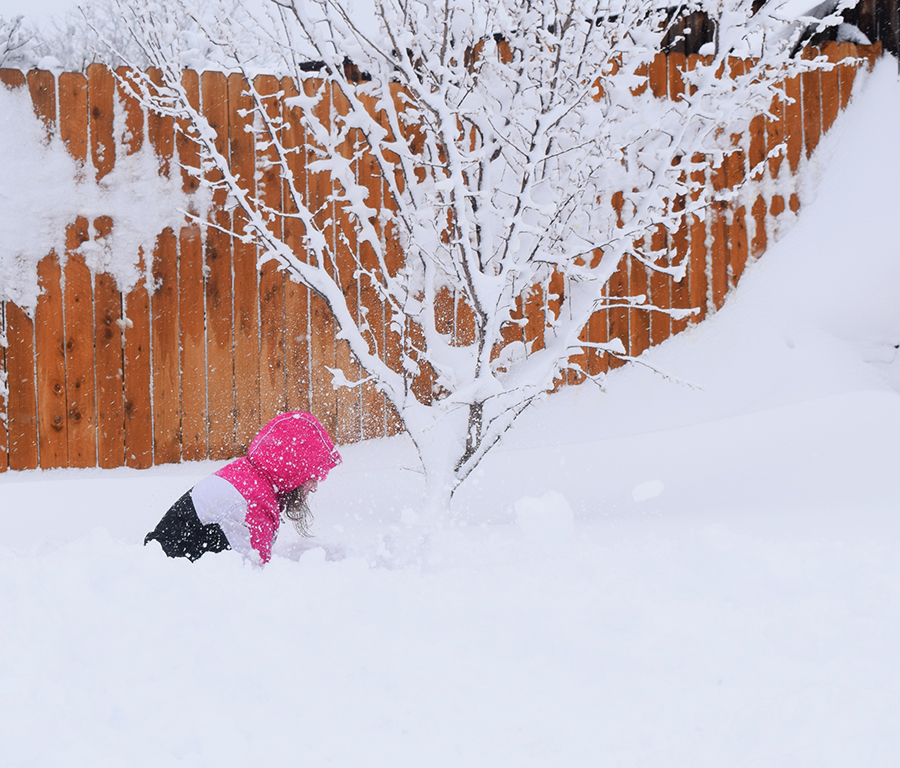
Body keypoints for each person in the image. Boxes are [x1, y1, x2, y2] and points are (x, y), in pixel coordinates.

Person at [144, 411, 341, 565]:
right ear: (294, 471)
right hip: (169, 586)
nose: (314, 487)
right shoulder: (253, 502)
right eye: (312, 478)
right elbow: (250, 577)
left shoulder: (248, 477)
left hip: (166, 569)